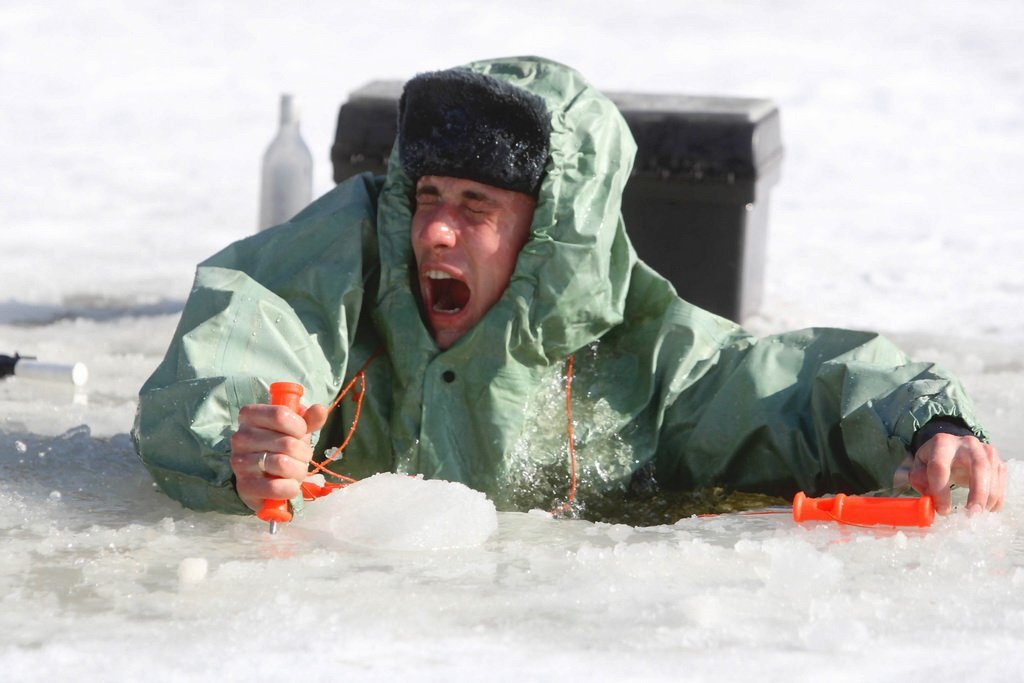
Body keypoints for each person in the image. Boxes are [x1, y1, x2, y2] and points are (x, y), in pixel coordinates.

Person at [133, 56, 1005, 524]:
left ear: (548, 237)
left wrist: (929, 422)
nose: (434, 231)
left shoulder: (637, 360)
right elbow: (240, 343)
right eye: (428, 197)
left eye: (476, 206)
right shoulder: (348, 262)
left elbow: (795, 384)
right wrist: (238, 455)